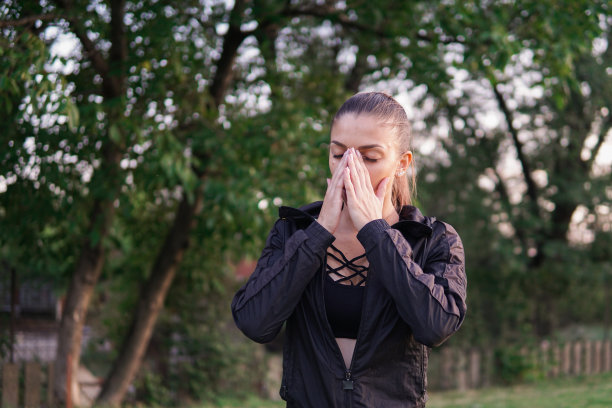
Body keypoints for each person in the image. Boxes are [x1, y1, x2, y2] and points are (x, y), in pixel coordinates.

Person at [231, 92, 467, 407]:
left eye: (370, 157)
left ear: (401, 164)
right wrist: (318, 233)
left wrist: (377, 234)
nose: (350, 169)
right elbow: (254, 322)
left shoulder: (433, 239)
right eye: (339, 154)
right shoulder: (293, 231)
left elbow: (436, 325)